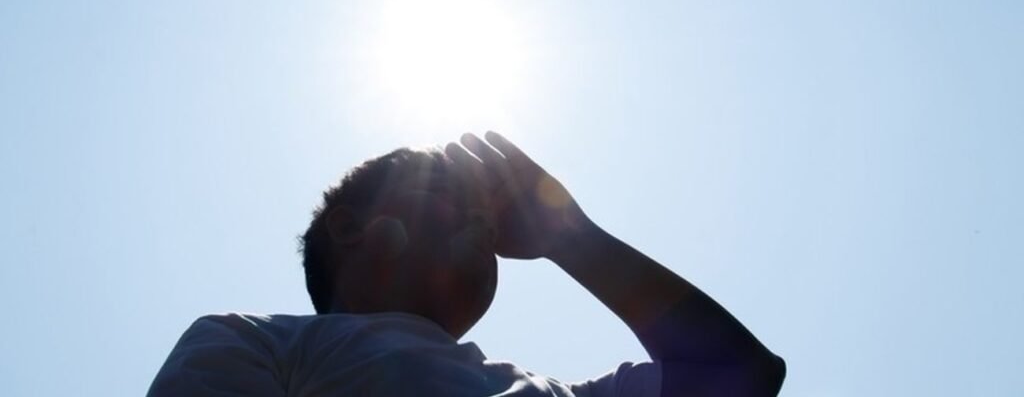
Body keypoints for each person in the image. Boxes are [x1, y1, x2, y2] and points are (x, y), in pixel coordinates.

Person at [147, 131, 785, 397]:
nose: (483, 222)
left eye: (490, 216)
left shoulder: (555, 392)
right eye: (450, 198)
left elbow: (739, 374)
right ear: (351, 227)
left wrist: (572, 238)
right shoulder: (259, 342)